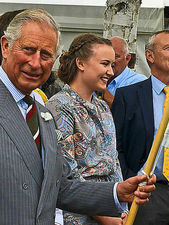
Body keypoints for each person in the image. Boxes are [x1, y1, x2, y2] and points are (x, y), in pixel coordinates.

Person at [0, 8, 155, 224]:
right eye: (28, 49)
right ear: (5, 46)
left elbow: (59, 188)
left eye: (45, 55)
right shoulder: (57, 108)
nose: (36, 63)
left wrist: (117, 192)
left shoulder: (41, 113)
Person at [111, 30, 169, 225]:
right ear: (150, 56)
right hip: (146, 194)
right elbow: (116, 146)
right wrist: (131, 181)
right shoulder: (128, 96)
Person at [46, 33, 126, 225]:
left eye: (112, 65)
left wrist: (122, 208)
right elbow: (67, 173)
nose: (111, 72)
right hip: (78, 215)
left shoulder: (103, 107)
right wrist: (104, 215)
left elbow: (113, 161)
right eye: (105, 64)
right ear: (81, 64)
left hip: (111, 210)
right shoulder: (59, 106)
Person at [103, 36, 146, 107]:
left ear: (127, 58)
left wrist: (102, 89)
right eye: (106, 56)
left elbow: (127, 112)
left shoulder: (139, 82)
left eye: (115, 56)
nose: (111, 61)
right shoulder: (95, 77)